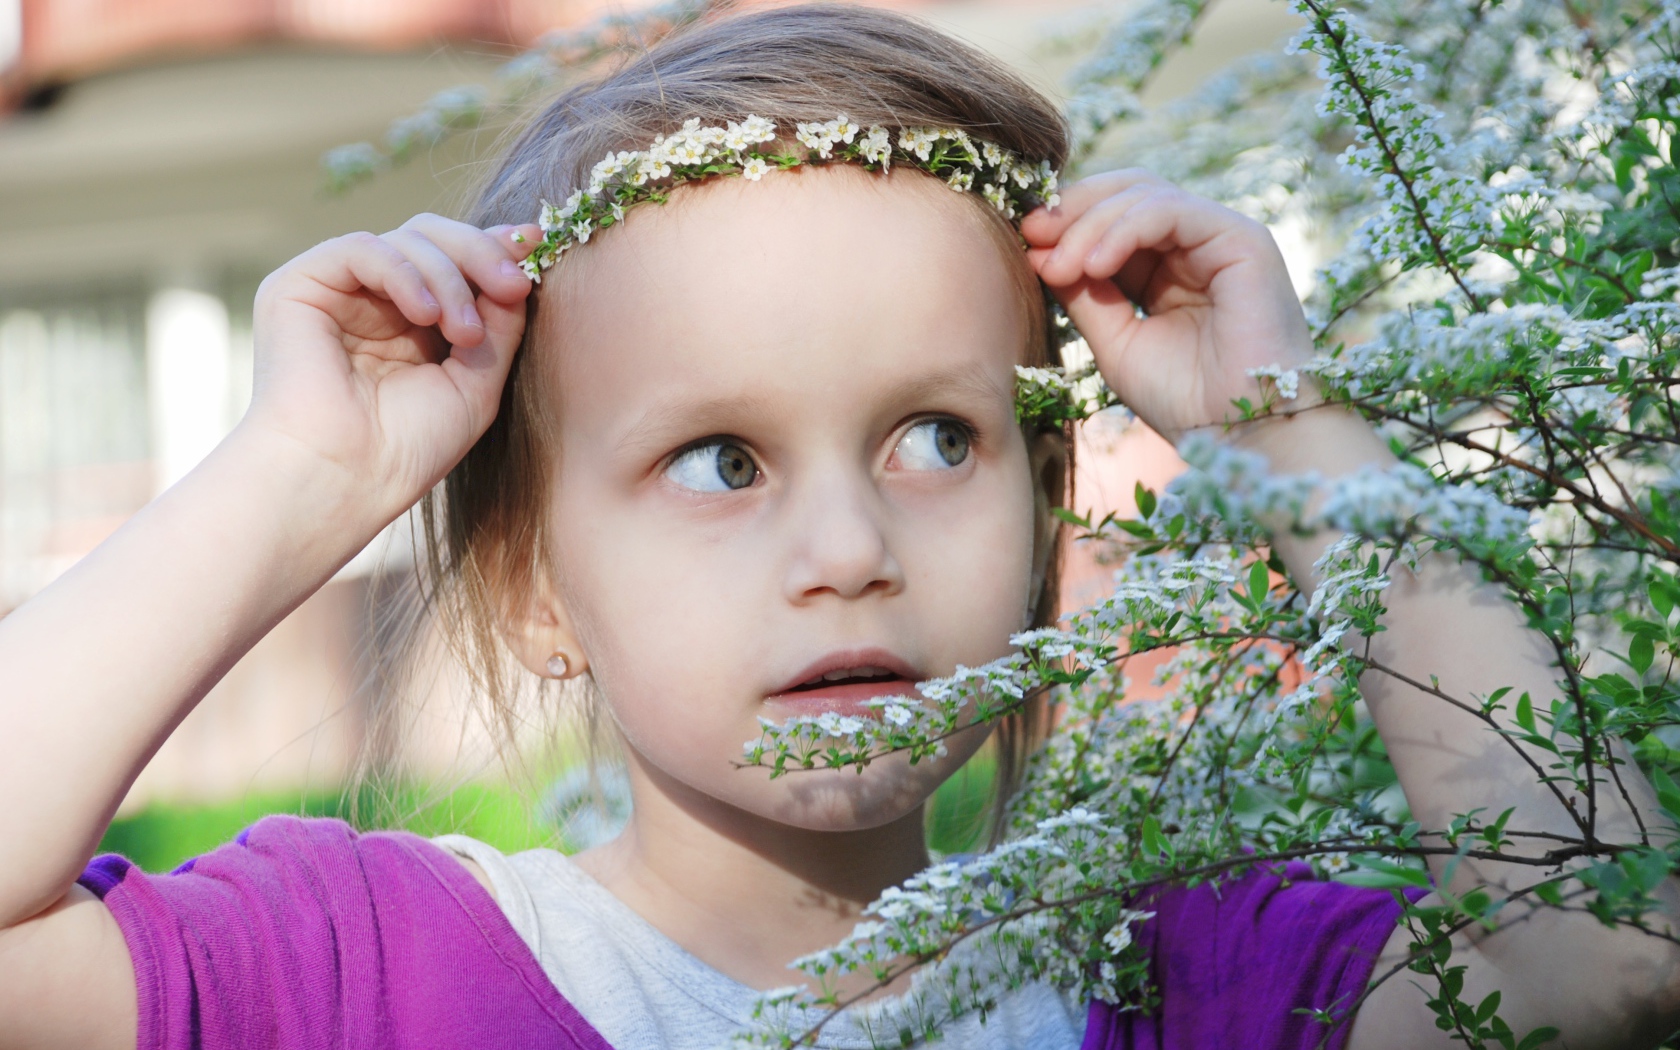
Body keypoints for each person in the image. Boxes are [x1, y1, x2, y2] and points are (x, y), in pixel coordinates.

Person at [1, 5, 1678, 1049]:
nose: (846, 543)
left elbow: (1604, 963)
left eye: (938, 436)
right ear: (531, 585)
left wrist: (1292, 427)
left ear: (1042, 520)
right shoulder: (366, 977)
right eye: (721, 459)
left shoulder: (1178, 974)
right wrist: (297, 469)